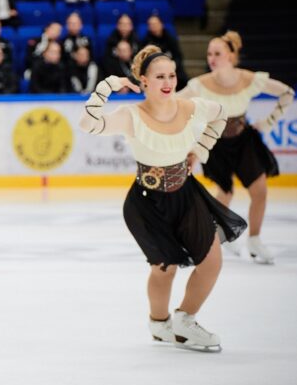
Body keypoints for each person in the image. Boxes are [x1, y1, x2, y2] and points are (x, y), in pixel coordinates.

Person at [79, 46, 245, 351]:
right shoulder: (131, 115)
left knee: (212, 261)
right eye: (159, 76)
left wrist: (201, 150)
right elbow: (88, 125)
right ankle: (159, 324)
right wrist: (106, 87)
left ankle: (185, 320)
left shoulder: (190, 107)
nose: (168, 81)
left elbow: (220, 114)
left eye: (171, 75)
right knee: (164, 268)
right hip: (146, 202)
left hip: (186, 193)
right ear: (143, 81)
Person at [177, 31, 295, 264]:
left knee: (259, 190)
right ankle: (219, 235)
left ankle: (254, 239)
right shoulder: (200, 84)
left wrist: (270, 121)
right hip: (216, 142)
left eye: (217, 53)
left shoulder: (250, 79)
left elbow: (287, 93)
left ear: (231, 55)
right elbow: (174, 103)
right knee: (226, 192)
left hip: (244, 141)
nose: (211, 57)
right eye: (209, 53)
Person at [141, 15, 186, 89]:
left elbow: (178, 56)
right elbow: (143, 59)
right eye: (151, 24)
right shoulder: (146, 41)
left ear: (161, 24)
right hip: (154, 70)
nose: (153, 26)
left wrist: (172, 66)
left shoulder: (170, 39)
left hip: (172, 69)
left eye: (155, 24)